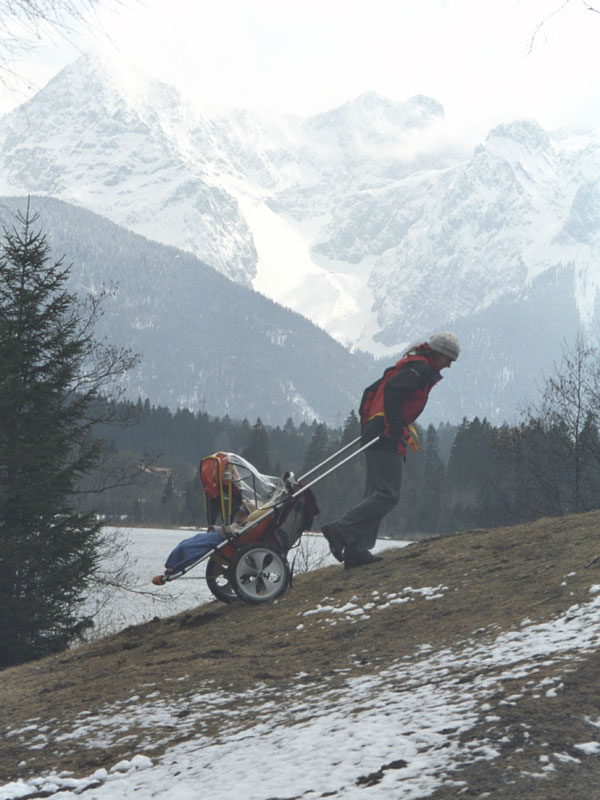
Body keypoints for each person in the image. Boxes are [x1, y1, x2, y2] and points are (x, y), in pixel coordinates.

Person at [321, 331, 460, 570]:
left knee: (375, 493)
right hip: (385, 435)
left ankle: (356, 550)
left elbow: (370, 391)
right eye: (449, 359)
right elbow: (394, 390)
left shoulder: (410, 365)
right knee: (389, 494)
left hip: (375, 431)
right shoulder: (420, 368)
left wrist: (373, 426)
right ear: (439, 354)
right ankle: (340, 531)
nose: (448, 365)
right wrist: (394, 426)